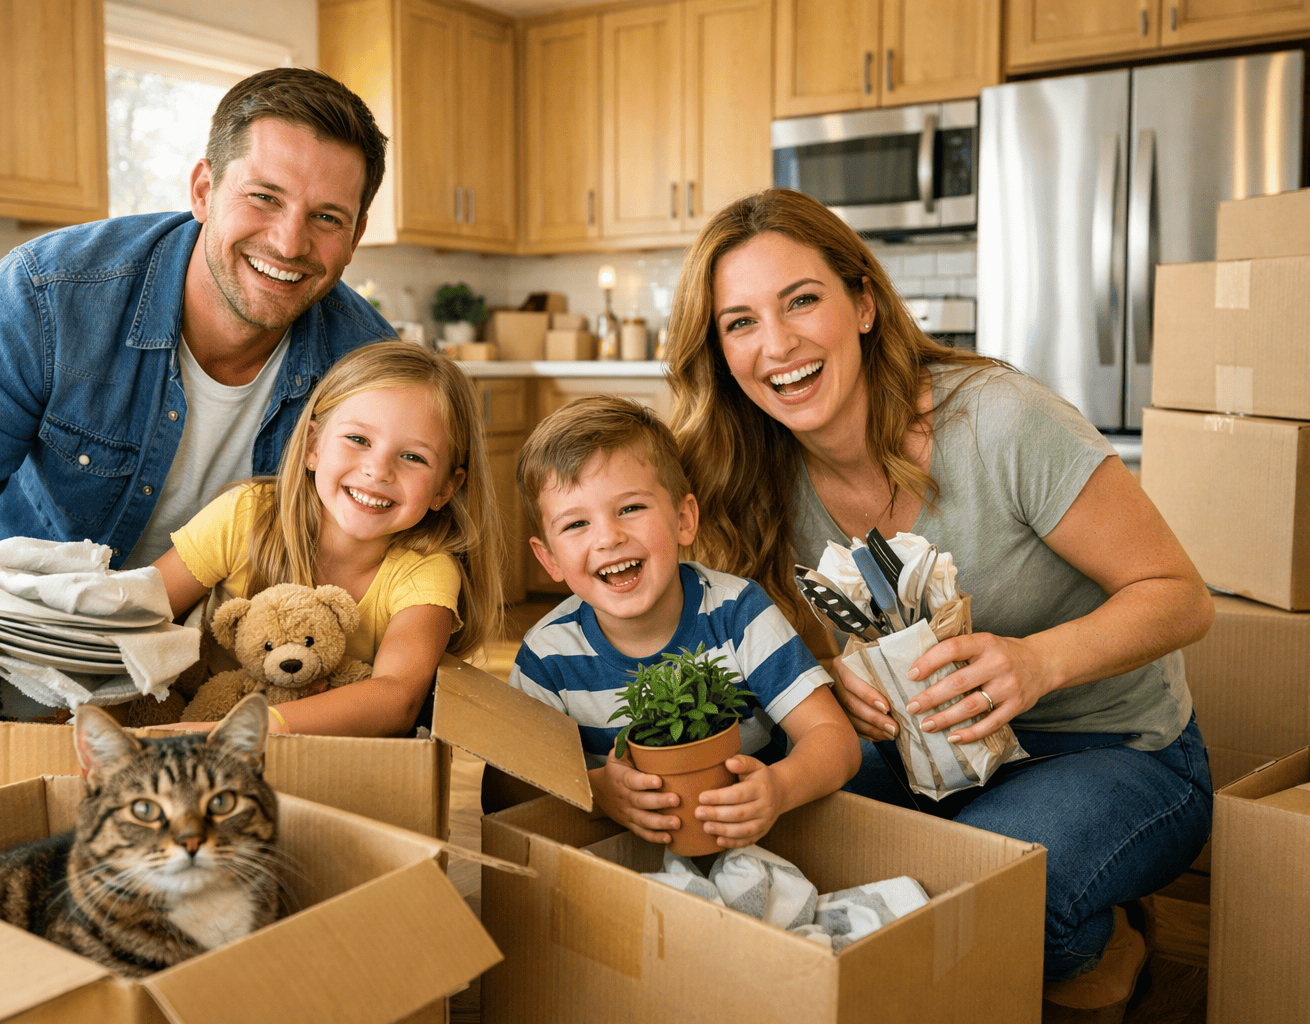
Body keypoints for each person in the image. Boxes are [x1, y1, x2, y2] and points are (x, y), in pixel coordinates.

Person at [663, 188, 1214, 1014]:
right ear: (719, 350)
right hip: (934, 759)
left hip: (1115, 749)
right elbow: (783, 640)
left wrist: (1036, 663)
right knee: (769, 829)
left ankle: (1105, 936)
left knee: (978, 896)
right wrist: (829, 672)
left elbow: (1181, 597)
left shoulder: (998, 421)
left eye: (801, 301)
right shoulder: (757, 471)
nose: (776, 345)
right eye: (740, 322)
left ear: (863, 303)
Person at [0, 67, 392, 830]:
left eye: (327, 217)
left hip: (225, 691)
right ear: (203, 188)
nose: (290, 243)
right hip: (16, 656)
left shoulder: (366, 367)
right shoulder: (49, 296)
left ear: (355, 236)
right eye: (263, 198)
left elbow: (415, 556)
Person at [506, 395, 859, 850]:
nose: (609, 537)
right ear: (549, 558)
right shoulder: (547, 654)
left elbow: (835, 741)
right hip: (622, 861)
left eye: (630, 508)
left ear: (684, 519)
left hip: (759, 847)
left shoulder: (739, 612)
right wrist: (595, 790)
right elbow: (504, 789)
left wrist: (779, 788)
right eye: (576, 525)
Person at [152, 340, 503, 736]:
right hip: (198, 733)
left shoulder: (426, 570)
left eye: (413, 457)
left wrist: (251, 729)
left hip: (325, 759)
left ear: (445, 489)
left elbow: (398, 699)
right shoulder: (245, 516)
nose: (378, 470)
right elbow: (134, 615)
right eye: (359, 440)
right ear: (313, 446)